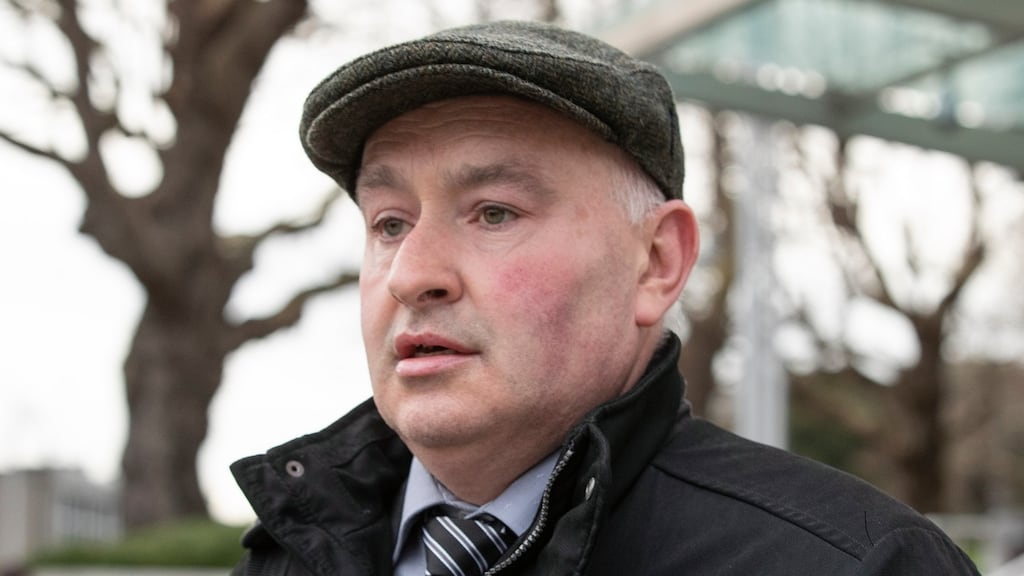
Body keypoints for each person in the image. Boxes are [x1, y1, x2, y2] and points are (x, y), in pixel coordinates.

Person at [230, 20, 979, 576]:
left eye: (494, 212)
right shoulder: (286, 557)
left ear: (657, 262)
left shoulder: (855, 566)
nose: (411, 274)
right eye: (389, 223)